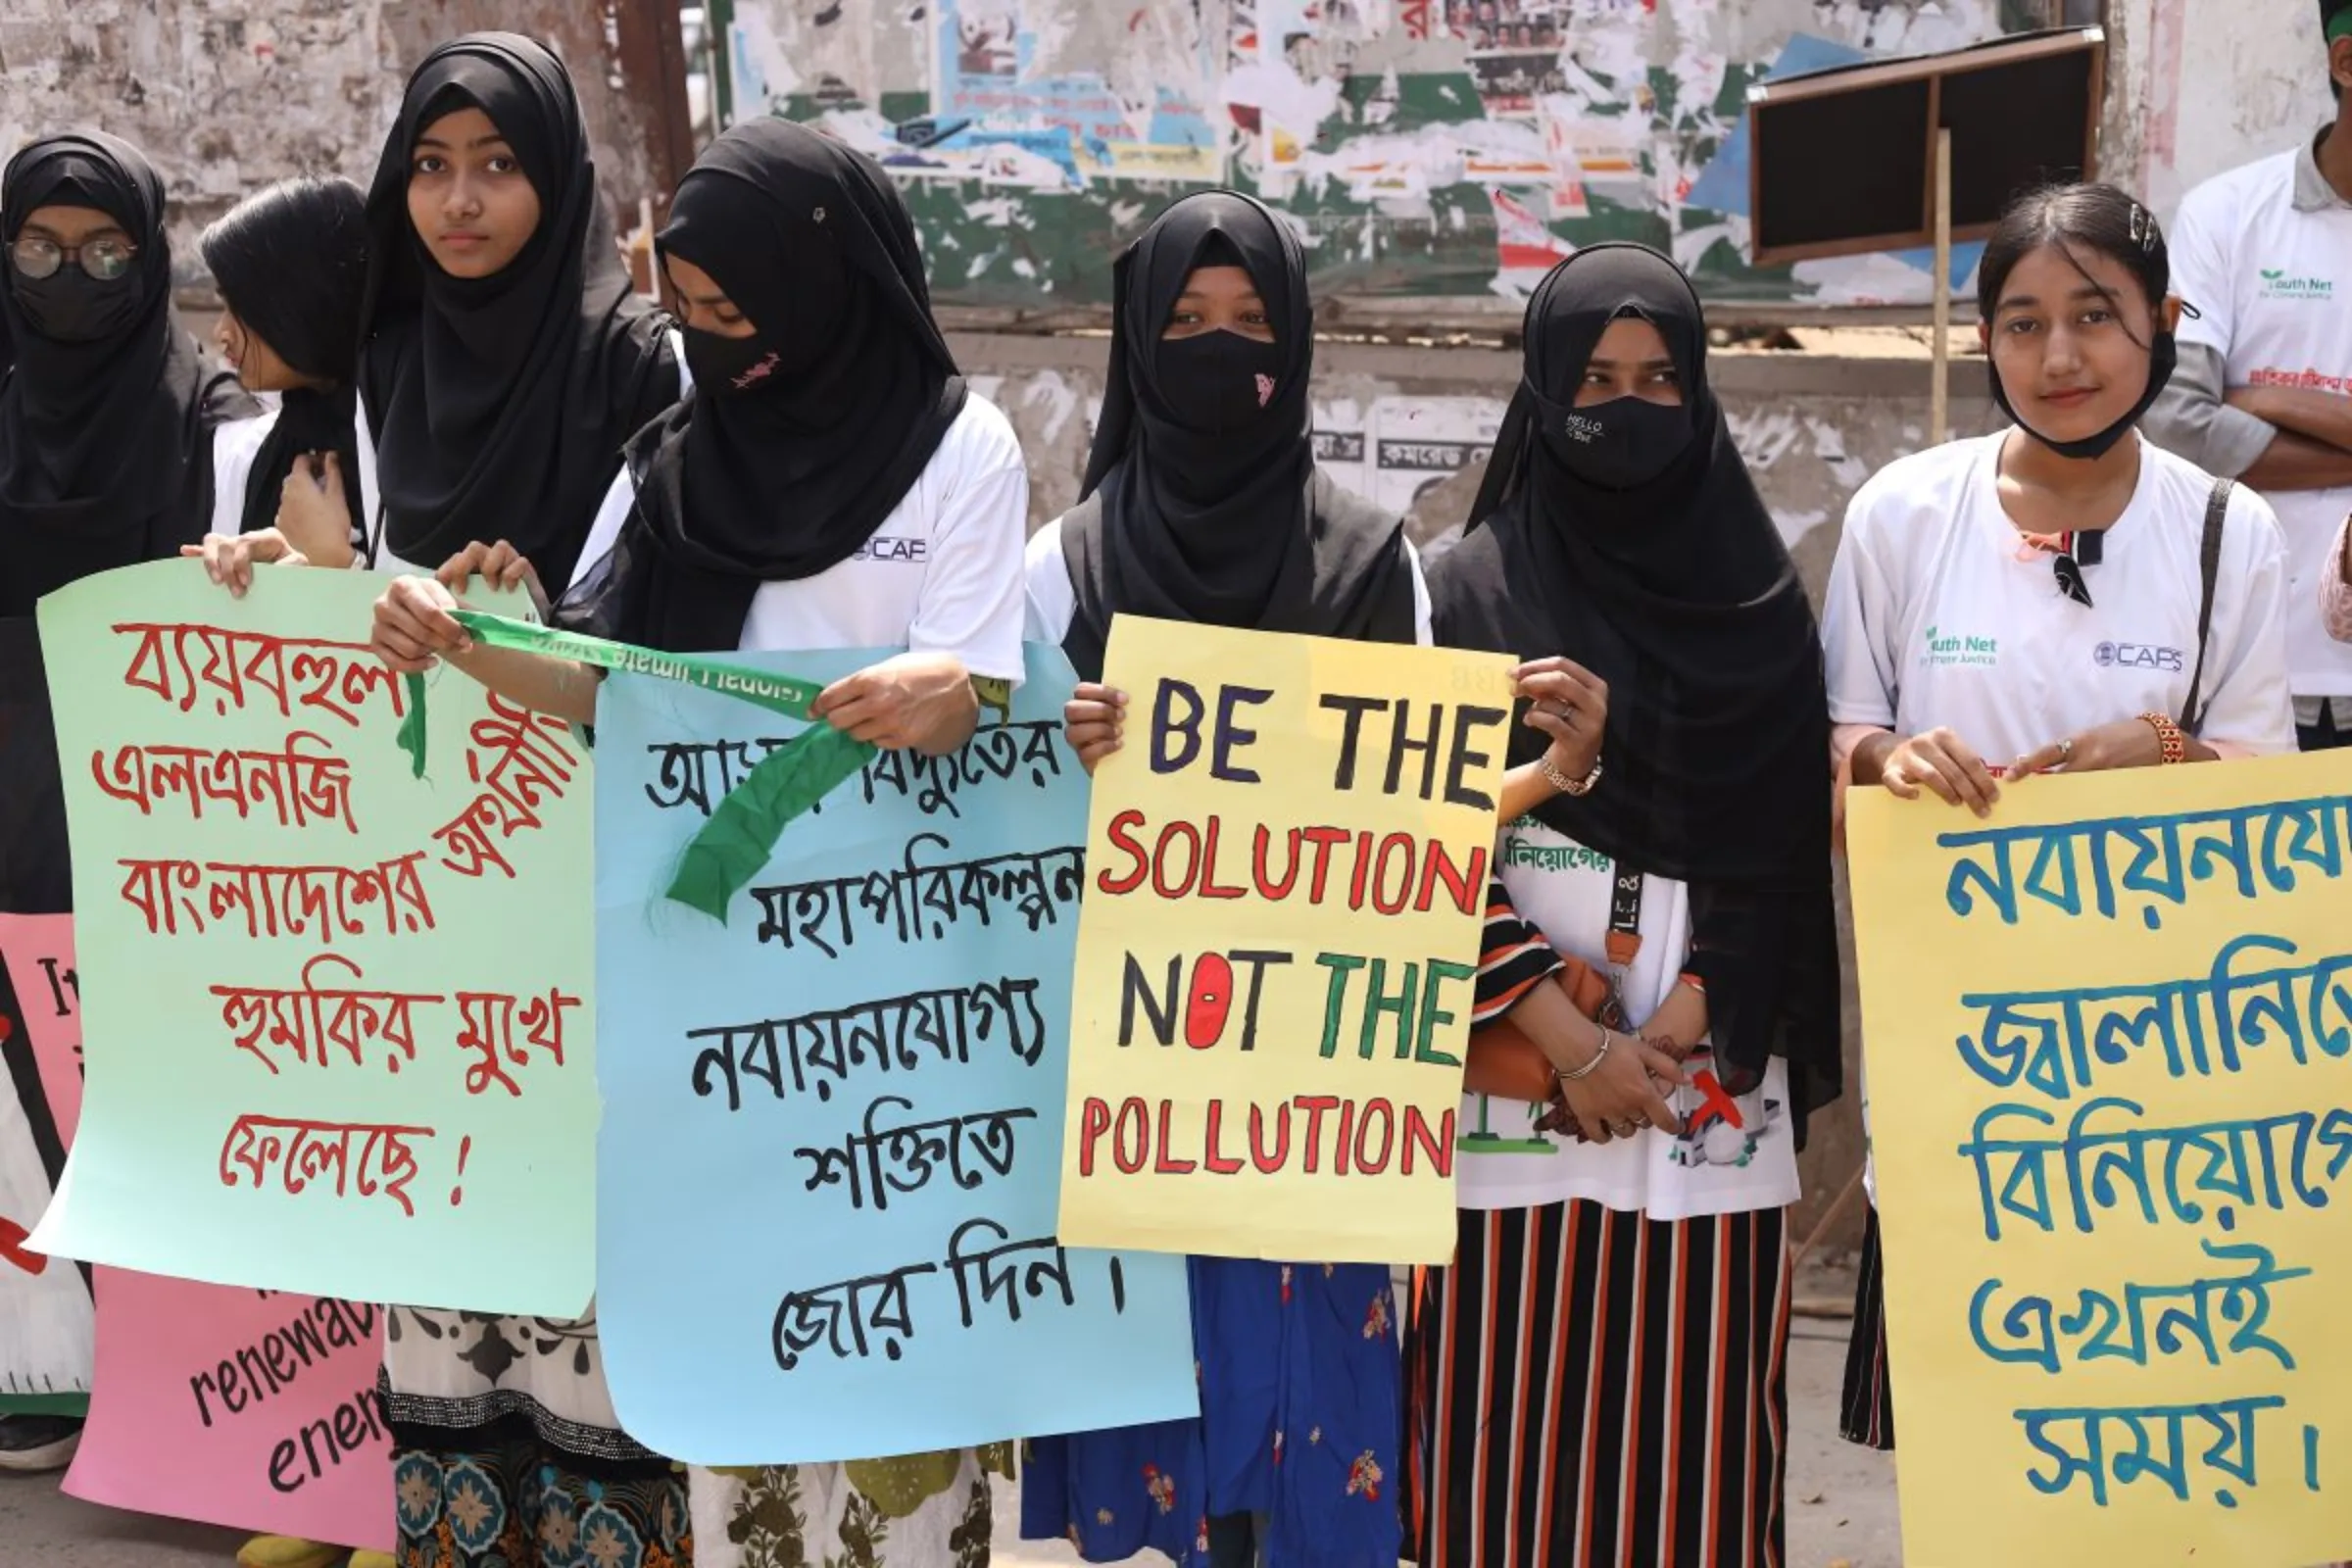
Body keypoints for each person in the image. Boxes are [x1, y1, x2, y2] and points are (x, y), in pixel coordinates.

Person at [370, 116, 1028, 1568]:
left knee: (897, 1405)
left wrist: (949, 695)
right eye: (697, 317)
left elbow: (982, 686)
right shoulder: (675, 461)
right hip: (715, 1001)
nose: (725, 348)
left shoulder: (962, 452)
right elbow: (597, 685)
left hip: (892, 1005)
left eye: (745, 315)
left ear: (829, 283)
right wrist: (464, 643)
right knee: (742, 1419)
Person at [1823, 183, 2295, 1453]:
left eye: (2097, 315)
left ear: (2166, 322)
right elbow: (1824, 751)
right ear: (1985, 344)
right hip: (1962, 1081)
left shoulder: (2225, 535)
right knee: (1972, 1461)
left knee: (2146, 1455)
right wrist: (1884, 757)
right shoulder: (1904, 519)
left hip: (2168, 1083)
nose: (2061, 357)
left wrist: (2162, 750)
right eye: (2022, 324)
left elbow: (2273, 821)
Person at [1401, 243, 1841, 1567]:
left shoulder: (1761, 612)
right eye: (1595, 378)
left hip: (1698, 1066)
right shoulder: (1456, 590)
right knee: (1496, 1434)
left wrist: (1679, 1023)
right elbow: (1419, 841)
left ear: (1702, 392)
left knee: (1692, 1449)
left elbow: (1774, 848)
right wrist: (1570, 1042)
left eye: (1659, 379)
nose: (1629, 407)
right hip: (1517, 1055)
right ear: (1540, 391)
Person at [1021, 189, 1425, 1568]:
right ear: (1137, 345)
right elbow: (1004, 841)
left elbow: (1418, 826)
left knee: (1308, 1465)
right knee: (1181, 1463)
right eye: (1185, 323)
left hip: (1312, 1087)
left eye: (1252, 321)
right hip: (1135, 1084)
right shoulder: (1061, 570)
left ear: (1299, 340)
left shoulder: (1373, 559)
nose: (1219, 349)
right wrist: (1056, 761)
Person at [0, 127, 270, 1474]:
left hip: (156, 811)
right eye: (38, 249)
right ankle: (55, 1379)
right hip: (9, 799)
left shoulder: (206, 413)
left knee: (152, 1092)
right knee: (25, 1100)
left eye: (106, 252)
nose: (69, 278)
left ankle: (192, 1405)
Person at [2143, 0, 2352, 753]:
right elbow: (2176, 426)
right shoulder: (2228, 216)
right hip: (2246, 668)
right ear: (2346, 63)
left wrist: (2261, 400)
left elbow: (2210, 419)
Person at [194, 175, 369, 569]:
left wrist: (340, 564)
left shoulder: (403, 445)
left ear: (302, 302)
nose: (222, 333)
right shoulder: (275, 446)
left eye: (242, 308)